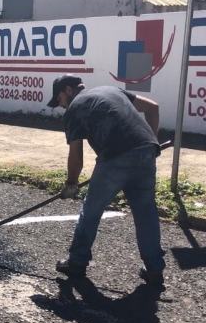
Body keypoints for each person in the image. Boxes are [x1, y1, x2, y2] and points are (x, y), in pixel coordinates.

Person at [48, 74, 166, 286]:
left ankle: (77, 262)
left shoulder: (75, 108)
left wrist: (71, 183)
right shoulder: (112, 90)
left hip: (115, 156)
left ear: (67, 90)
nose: (60, 106)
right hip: (147, 151)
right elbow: (153, 107)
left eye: (59, 100)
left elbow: (76, 155)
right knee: (146, 211)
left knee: (91, 211)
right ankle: (154, 269)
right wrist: (151, 143)